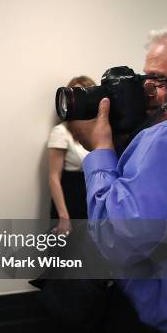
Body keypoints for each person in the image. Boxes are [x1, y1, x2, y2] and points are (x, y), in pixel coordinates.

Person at [70, 15, 167, 333]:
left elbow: (121, 243)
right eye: (145, 82)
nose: (148, 93)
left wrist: (102, 150)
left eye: (159, 82)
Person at [47, 76, 95, 234]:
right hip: (69, 200)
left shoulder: (97, 133)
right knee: (67, 255)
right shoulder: (61, 132)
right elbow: (54, 177)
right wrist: (64, 218)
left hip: (90, 199)